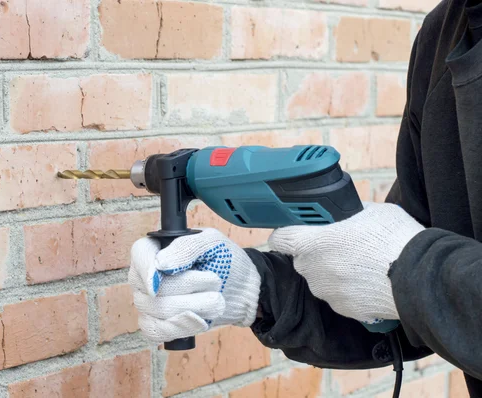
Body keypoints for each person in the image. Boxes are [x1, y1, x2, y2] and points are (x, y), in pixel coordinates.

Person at [128, 0, 482, 395]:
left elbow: (411, 269)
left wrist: (411, 271)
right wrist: (253, 287)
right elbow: (402, 304)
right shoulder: (446, 32)